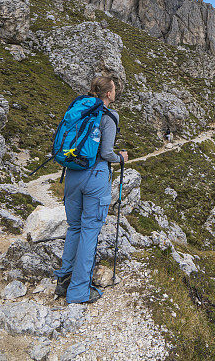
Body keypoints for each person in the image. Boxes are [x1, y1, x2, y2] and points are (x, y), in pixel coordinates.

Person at [54, 76, 128, 304]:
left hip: (73, 175)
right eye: (114, 89)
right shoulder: (109, 116)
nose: (115, 92)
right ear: (108, 94)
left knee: (74, 227)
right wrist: (121, 157)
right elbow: (106, 153)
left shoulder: (81, 109)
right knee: (89, 231)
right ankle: (79, 292)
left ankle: (63, 282)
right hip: (95, 177)